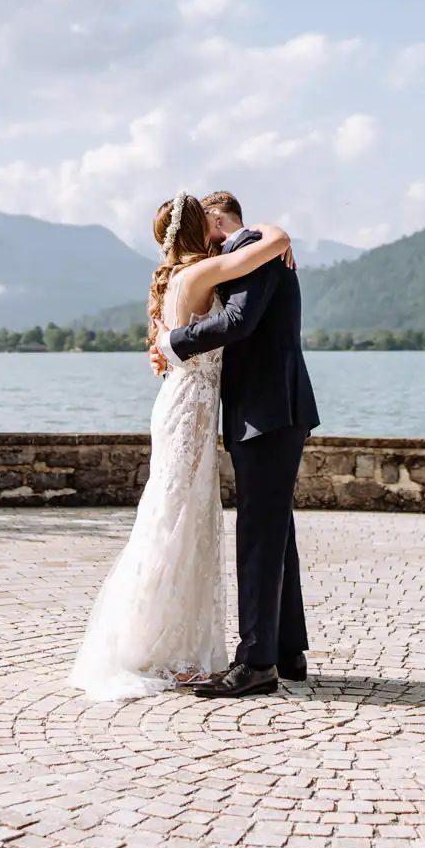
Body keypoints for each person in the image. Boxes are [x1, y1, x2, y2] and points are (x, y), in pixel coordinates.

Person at [67, 189, 296, 701]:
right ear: (205, 227)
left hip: (186, 405)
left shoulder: (183, 274)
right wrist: (276, 237)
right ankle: (163, 648)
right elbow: (267, 252)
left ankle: (175, 644)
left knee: (179, 517)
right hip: (191, 411)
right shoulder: (201, 274)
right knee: (180, 519)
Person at [151, 190, 321, 699]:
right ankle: (288, 650)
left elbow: (239, 323)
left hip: (268, 412)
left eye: (207, 220)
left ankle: (256, 663)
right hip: (265, 409)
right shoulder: (258, 249)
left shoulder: (256, 250)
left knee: (258, 534)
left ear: (219, 219)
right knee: (275, 530)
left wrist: (173, 343)